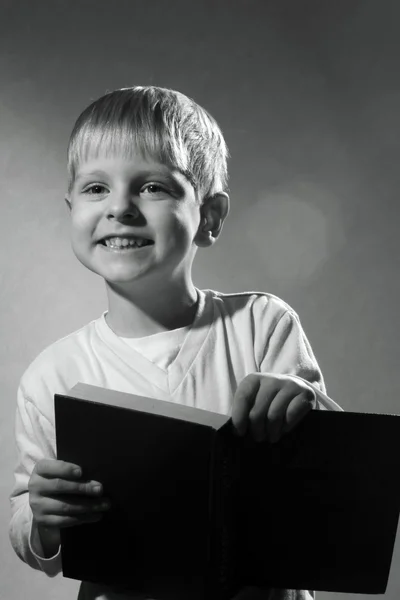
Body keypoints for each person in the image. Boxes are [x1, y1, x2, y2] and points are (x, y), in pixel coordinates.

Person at [9, 86, 342, 600]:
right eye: (96, 188)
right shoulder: (52, 374)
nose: (120, 207)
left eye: (154, 188)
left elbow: (336, 478)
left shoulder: (261, 324)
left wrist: (303, 402)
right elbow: (30, 529)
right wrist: (43, 516)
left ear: (209, 216)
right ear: (71, 206)